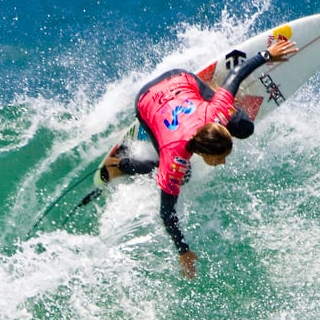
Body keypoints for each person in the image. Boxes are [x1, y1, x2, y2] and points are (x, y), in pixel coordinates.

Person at [103, 38, 298, 278]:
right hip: (146, 102)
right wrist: (182, 250)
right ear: (203, 153)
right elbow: (167, 212)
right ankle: (119, 166)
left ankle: (212, 95)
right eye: (219, 158)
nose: (223, 162)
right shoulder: (174, 158)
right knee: (181, 176)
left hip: (180, 79)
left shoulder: (214, 113)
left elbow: (237, 73)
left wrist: (268, 54)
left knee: (244, 127)